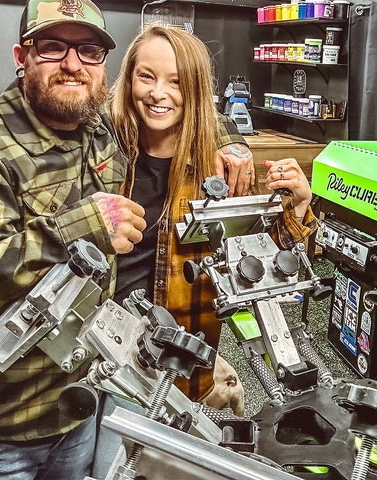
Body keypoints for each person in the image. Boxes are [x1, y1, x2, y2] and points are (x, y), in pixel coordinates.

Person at [0, 0, 253, 478]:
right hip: (5, 421)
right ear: (22, 56)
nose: (72, 64)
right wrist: (81, 228)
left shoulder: (96, 126)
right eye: (53, 47)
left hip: (86, 391)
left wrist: (232, 142)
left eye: (87, 51)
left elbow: (177, 110)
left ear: (102, 66)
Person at [109, 25, 317, 415]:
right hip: (106, 354)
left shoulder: (218, 168)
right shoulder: (102, 151)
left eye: (177, 82)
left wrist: (299, 205)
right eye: (146, 77)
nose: (158, 94)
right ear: (129, 78)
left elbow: (260, 262)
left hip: (181, 362)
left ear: (197, 90)